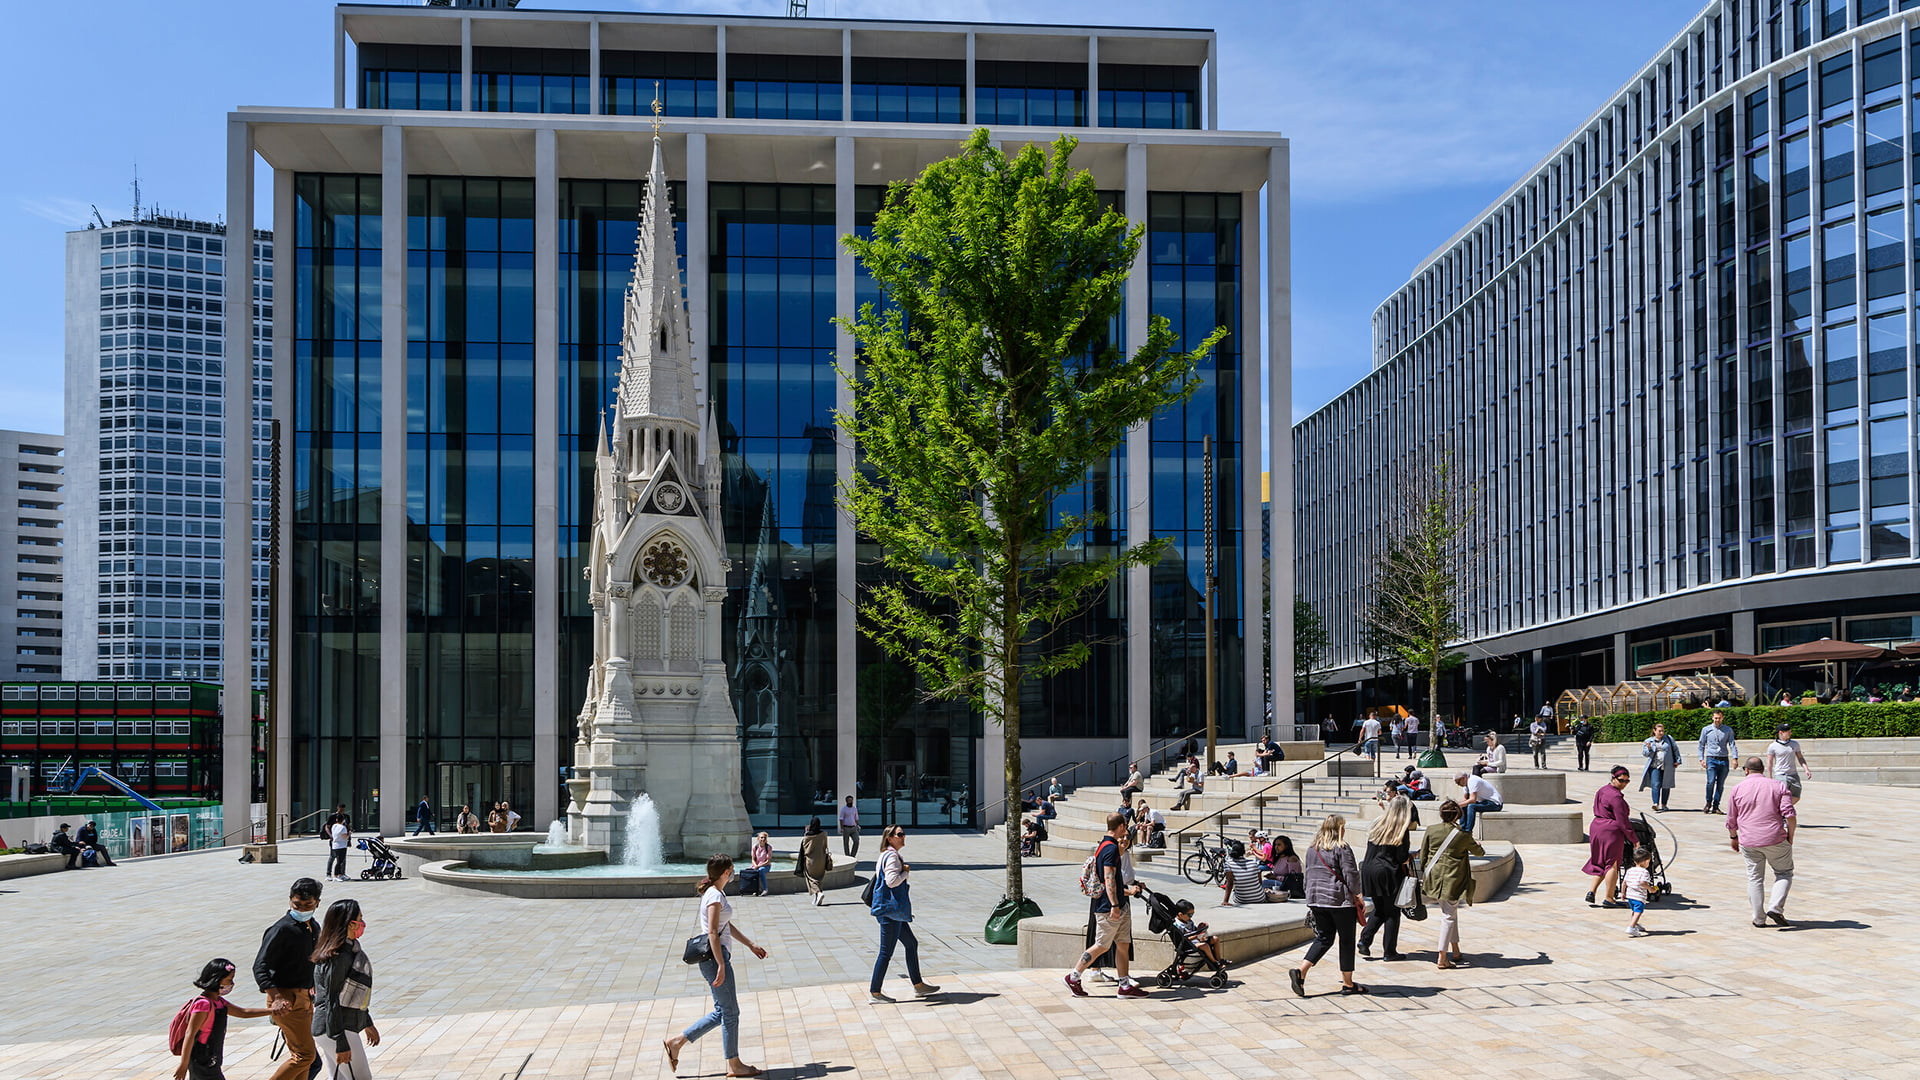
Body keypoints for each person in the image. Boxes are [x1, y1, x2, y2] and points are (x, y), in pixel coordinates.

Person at [663, 855, 771, 1077]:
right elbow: (712, 932)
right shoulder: (713, 895)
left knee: (723, 1011)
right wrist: (721, 964)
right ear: (726, 872)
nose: (733, 874)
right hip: (714, 959)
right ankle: (735, 1065)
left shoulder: (716, 893)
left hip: (715, 958)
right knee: (730, 1012)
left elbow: (724, 925)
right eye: (731, 870)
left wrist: (750, 944)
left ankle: (676, 1042)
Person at [1064, 813, 1147, 998]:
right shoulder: (1109, 848)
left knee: (1123, 944)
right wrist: (1114, 905)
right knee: (1102, 945)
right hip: (1109, 907)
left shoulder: (1105, 845)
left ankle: (1124, 986)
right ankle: (1073, 977)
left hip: (1120, 905)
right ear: (1121, 826)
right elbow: (1109, 879)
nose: (1126, 829)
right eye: (1125, 826)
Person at [253, 877, 324, 1080]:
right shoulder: (282, 929)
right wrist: (275, 997)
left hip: (304, 998)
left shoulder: (313, 928)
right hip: (286, 999)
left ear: (317, 903)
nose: (302, 909)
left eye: (308, 905)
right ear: (290, 901)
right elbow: (260, 966)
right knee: (305, 1056)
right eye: (297, 904)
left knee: (305, 1058)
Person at [1290, 814, 1365, 997]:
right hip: (1339, 900)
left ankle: (1302, 971)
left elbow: (1308, 874)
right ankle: (1348, 984)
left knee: (1324, 938)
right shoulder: (1342, 847)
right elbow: (1351, 874)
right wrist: (1358, 895)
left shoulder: (1311, 849)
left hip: (1316, 900)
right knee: (1346, 941)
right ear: (1339, 829)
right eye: (1343, 827)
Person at [868, 825, 941, 1003]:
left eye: (903, 833)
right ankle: (875, 992)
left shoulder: (886, 855)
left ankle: (918, 985)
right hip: (890, 912)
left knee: (911, 943)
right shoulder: (892, 856)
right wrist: (905, 872)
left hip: (893, 913)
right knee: (886, 952)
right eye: (899, 834)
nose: (903, 836)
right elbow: (891, 881)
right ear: (889, 838)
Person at [173, 958, 279, 1080]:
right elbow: (190, 1034)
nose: (232, 984)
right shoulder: (203, 1004)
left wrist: (273, 1011)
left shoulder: (219, 1002)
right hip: (201, 1059)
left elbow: (243, 1012)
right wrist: (183, 1064)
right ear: (216, 979)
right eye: (229, 980)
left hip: (213, 1058)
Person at [310, 899, 381, 1079]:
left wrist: (367, 1022)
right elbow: (331, 999)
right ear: (350, 923)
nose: (362, 923)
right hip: (335, 1029)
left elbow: (354, 995)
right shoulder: (338, 956)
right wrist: (340, 1042)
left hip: (334, 1027)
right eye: (360, 919)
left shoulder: (348, 950)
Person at [1728, 756, 1797, 927]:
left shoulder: (1737, 789)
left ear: (1746, 770)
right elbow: (1790, 814)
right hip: (1775, 837)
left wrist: (1733, 837)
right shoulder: (1778, 786)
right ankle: (1775, 907)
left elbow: (1731, 818)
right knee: (1784, 872)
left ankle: (1758, 918)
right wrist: (1790, 835)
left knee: (1755, 878)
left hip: (1749, 839)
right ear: (1764, 769)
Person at [1421, 799, 1485, 969]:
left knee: (1450, 913)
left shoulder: (1431, 830)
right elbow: (1479, 853)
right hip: (1452, 879)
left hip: (1434, 878)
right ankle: (1442, 957)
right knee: (1448, 916)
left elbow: (1424, 854)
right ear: (1457, 815)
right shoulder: (1462, 835)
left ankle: (1455, 950)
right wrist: (1477, 845)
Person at [1357, 797, 1414, 962]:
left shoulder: (1377, 824)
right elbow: (1401, 857)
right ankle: (1389, 951)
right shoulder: (1401, 829)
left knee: (1380, 909)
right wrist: (1411, 857)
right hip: (1388, 872)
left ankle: (1364, 940)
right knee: (1393, 913)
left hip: (1369, 870)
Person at [1582, 766, 1636, 906]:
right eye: (1621, 780)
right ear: (1613, 778)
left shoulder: (1602, 790)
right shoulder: (1616, 796)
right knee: (1612, 864)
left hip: (1596, 827)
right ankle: (1609, 898)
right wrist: (1634, 839)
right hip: (1611, 830)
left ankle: (1591, 892)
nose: (1623, 784)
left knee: (1600, 861)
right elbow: (1622, 821)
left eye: (1627, 781)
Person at [1698, 710, 1740, 814]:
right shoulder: (1706, 730)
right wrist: (1701, 759)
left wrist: (1735, 758)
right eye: (1716, 718)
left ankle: (1716, 805)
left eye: (1719, 718)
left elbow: (1732, 744)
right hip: (1711, 758)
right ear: (1712, 718)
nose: (1717, 720)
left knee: (1720, 784)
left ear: (1722, 718)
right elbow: (1701, 744)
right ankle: (1708, 802)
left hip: (1723, 759)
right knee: (1710, 781)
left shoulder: (1727, 730)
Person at [1222, 839, 1285, 904]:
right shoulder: (1253, 863)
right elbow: (1259, 882)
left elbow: (1230, 884)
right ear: (1243, 852)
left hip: (1241, 899)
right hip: (1259, 897)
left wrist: (1225, 901)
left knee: (1234, 894)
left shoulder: (1228, 864)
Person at [1765, 724, 1812, 803]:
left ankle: (1784, 809)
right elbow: (1769, 762)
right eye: (1788, 732)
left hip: (1793, 774)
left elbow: (1800, 758)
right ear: (1781, 733)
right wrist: (1770, 777)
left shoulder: (1795, 744)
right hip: (1781, 774)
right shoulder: (1773, 746)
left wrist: (1806, 769)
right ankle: (1783, 811)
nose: (1790, 733)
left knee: (1796, 796)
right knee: (1783, 796)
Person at [1170, 899, 1224, 967]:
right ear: (1180, 914)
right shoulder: (1177, 925)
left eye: (1192, 914)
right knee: (1205, 946)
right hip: (1187, 945)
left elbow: (1194, 930)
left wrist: (1200, 928)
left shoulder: (1188, 921)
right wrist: (1197, 935)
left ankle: (1219, 960)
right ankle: (1214, 962)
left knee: (1215, 939)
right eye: (1190, 915)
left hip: (1195, 941)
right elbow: (1185, 938)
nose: (1191, 917)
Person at [1641, 722, 1680, 812]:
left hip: (1668, 765)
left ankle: (1664, 804)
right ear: (1654, 731)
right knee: (1656, 784)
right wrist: (1650, 748)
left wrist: (1677, 760)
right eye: (1659, 731)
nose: (1661, 733)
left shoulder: (1669, 739)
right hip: (1655, 766)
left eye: (1662, 731)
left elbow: (1675, 749)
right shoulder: (1648, 741)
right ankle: (1655, 803)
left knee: (1666, 785)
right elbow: (1645, 754)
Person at [1621, 846, 1653, 938]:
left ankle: (1635, 923)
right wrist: (1650, 889)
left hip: (1630, 895)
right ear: (1646, 861)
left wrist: (1623, 893)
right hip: (1639, 896)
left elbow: (1624, 883)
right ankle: (1631, 927)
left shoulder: (1630, 870)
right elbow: (1643, 883)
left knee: (1634, 911)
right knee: (1638, 911)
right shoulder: (1644, 872)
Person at [798, 818, 830, 905]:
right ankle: (817, 898)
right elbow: (825, 846)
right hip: (821, 860)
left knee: (811, 878)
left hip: (811, 861)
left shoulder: (808, 836)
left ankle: (819, 893)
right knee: (819, 878)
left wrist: (806, 832)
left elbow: (804, 847)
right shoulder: (823, 834)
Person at [738, 833, 773, 897]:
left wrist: (758, 866)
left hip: (765, 866)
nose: (763, 839)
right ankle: (755, 889)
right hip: (756, 865)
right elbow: (753, 859)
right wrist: (755, 865)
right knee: (750, 872)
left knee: (761, 870)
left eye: (764, 838)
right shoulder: (755, 847)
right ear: (758, 839)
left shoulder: (768, 847)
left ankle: (765, 889)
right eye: (761, 837)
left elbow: (768, 861)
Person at [326, 815, 351, 882]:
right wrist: (349, 834)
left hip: (335, 845)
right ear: (343, 820)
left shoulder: (334, 826)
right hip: (341, 845)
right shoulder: (343, 828)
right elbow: (344, 837)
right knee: (340, 861)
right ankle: (336, 875)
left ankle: (340, 875)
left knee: (339, 860)